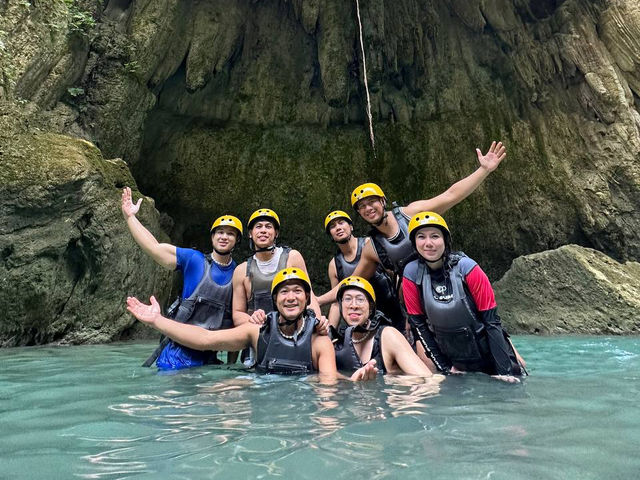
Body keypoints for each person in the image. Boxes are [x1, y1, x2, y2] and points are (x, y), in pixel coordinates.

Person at [317, 141, 508, 306]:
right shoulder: (372, 248)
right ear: (359, 213)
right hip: (418, 296)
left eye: (372, 202)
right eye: (362, 207)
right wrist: (317, 301)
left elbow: (451, 195)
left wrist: (483, 170)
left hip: (449, 280)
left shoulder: (411, 214)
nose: (368, 208)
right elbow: (352, 282)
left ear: (383, 201)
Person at [127, 268, 377, 381]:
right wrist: (158, 321)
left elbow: (328, 383)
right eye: (284, 292)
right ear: (275, 300)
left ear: (307, 298)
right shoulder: (256, 330)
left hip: (300, 397)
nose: (291, 297)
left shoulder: (318, 338)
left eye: (298, 291)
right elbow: (204, 339)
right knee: (213, 394)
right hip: (260, 388)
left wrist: (352, 384)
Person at [121, 187, 241, 369]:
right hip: (176, 355)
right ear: (212, 236)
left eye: (230, 233)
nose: (224, 237)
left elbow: (236, 325)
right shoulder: (194, 260)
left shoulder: (239, 274)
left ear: (237, 240)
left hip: (209, 360)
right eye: (220, 232)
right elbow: (154, 248)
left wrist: (231, 367)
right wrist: (130, 218)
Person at [402, 211, 525, 382]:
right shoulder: (411, 274)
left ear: (445, 240)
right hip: (455, 364)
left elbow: (492, 323)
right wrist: (445, 368)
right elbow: (419, 327)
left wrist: (504, 372)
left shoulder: (468, 268)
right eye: (421, 237)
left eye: (435, 236)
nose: (428, 243)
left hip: (492, 357)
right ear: (414, 243)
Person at [333, 276, 438, 377]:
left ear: (370, 308)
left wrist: (394, 383)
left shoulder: (388, 335)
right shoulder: (336, 343)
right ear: (341, 306)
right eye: (347, 299)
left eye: (360, 299)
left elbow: (427, 379)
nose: (353, 305)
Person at [323, 210, 404, 331]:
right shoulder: (334, 265)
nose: (338, 228)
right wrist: (330, 332)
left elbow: (394, 274)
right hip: (360, 323)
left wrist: (406, 309)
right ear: (330, 234)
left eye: (341, 223)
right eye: (333, 226)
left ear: (351, 226)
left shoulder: (369, 244)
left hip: (393, 313)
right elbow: (336, 302)